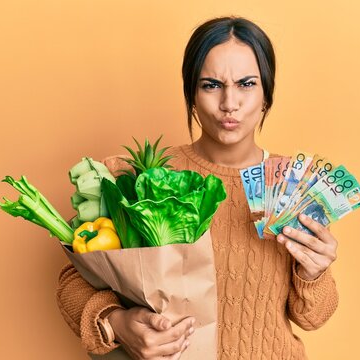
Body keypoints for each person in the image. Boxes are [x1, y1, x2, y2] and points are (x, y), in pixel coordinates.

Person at [56, 16, 339, 360]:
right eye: (210, 85)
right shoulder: (147, 176)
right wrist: (118, 322)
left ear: (267, 95)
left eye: (247, 84)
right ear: (191, 94)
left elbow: (312, 316)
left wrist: (315, 272)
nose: (229, 103)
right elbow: (73, 282)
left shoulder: (291, 183)